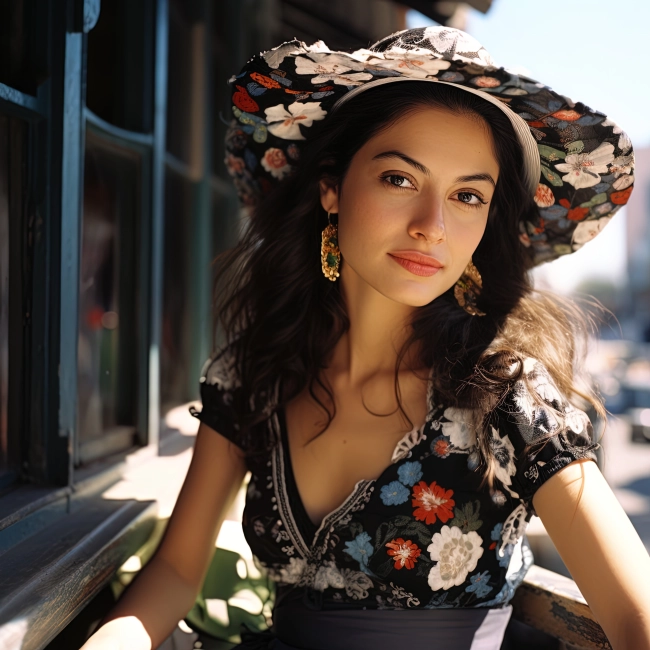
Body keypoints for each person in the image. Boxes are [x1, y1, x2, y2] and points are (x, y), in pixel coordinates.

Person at [82, 27, 650, 650]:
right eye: (400, 180)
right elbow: (173, 572)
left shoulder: (507, 396)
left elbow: (636, 618)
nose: (432, 226)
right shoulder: (254, 379)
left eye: (467, 195)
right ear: (332, 186)